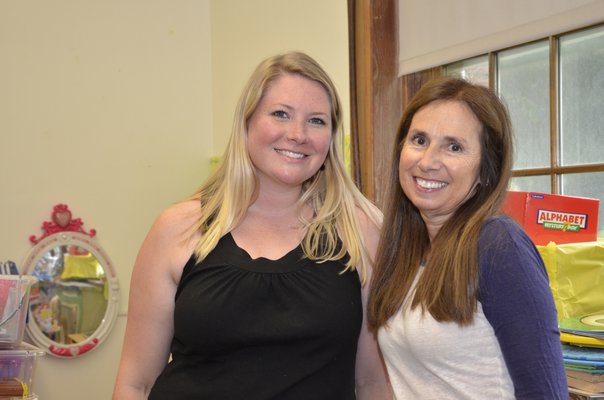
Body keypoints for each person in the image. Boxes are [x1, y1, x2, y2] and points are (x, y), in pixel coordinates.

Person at [113, 51, 391, 399]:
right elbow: (135, 383)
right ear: (247, 124)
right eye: (280, 114)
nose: (298, 134)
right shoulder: (178, 229)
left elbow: (374, 383)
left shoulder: (361, 231)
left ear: (331, 137)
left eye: (317, 121)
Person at [367, 77, 568, 399]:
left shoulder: (500, 245)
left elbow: (545, 391)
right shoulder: (406, 249)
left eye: (454, 147)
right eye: (419, 140)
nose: (428, 161)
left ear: (486, 170)